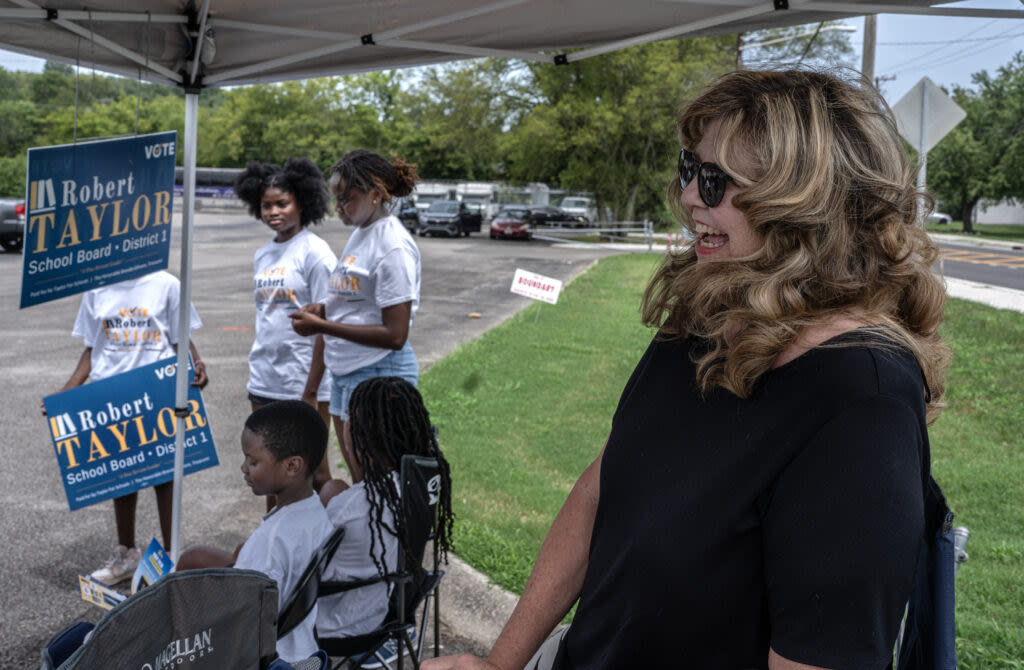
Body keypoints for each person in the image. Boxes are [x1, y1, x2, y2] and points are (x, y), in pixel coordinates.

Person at [424, 69, 950, 670]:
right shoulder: (709, 315)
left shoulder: (862, 403)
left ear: (805, 203)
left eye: (717, 179)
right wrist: (500, 663)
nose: (690, 197)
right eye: (690, 169)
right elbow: (603, 488)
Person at [50, 270, 208, 586]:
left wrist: (197, 366)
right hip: (113, 396)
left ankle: (170, 556)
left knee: (165, 476)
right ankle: (127, 555)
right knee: (122, 479)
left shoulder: (168, 285)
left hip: (157, 392)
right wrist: (67, 391)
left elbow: (180, 340)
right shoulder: (97, 288)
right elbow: (93, 350)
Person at [290, 150, 421, 484]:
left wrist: (322, 325)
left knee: (380, 485)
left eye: (347, 199)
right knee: (363, 484)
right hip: (348, 371)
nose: (340, 208)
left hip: (379, 372)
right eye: (337, 199)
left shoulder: (392, 246)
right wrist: (323, 310)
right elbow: (356, 303)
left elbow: (395, 335)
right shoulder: (361, 232)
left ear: (375, 194)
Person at [176, 400, 332, 663]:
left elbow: (246, 621)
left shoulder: (271, 542)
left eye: (253, 461)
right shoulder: (314, 508)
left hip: (263, 656)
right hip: (300, 646)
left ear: (293, 466)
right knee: (196, 557)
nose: (244, 469)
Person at [316, 376, 454, 641]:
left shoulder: (351, 508)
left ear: (357, 438)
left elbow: (304, 572)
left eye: (347, 421)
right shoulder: (418, 485)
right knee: (334, 486)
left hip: (336, 625)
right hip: (393, 609)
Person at [234, 157, 336, 500]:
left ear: (301, 203)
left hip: (304, 380)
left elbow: (327, 325)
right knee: (271, 474)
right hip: (265, 377)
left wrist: (311, 389)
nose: (273, 212)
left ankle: (330, 545)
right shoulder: (263, 255)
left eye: (282, 203)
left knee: (316, 472)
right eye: (266, 205)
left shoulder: (316, 253)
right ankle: (275, 546)